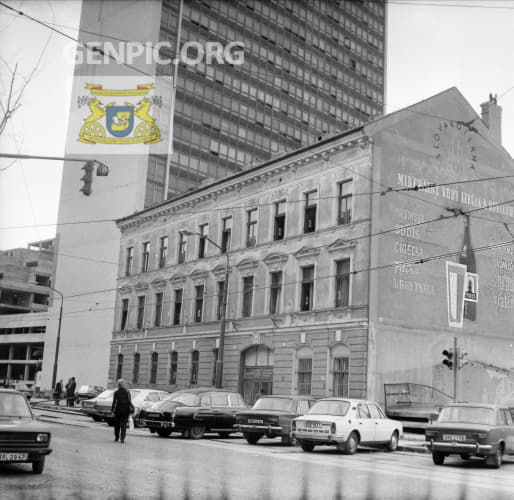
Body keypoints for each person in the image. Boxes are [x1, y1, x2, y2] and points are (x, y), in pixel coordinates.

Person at [111, 379, 134, 444]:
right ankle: (122, 439)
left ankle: (116, 437)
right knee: (124, 425)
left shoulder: (116, 392)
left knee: (117, 424)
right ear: (124, 384)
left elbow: (114, 402)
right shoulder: (127, 392)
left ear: (118, 385)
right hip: (126, 410)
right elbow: (129, 401)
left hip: (118, 410)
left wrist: (112, 411)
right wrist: (132, 409)